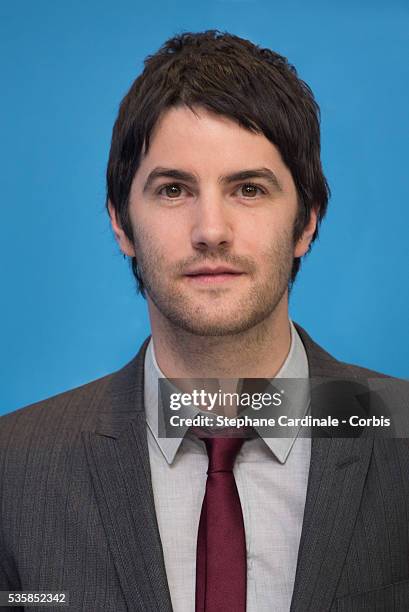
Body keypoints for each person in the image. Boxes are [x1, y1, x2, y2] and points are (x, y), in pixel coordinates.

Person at [0, 30, 408, 612]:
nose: (210, 229)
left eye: (248, 188)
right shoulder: (12, 469)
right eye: (172, 190)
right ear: (121, 224)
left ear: (307, 221)